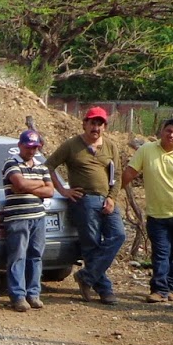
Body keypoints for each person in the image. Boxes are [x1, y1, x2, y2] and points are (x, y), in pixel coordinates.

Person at [49, 105, 125, 305]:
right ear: (84, 124)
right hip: (84, 200)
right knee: (91, 243)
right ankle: (105, 290)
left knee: (118, 235)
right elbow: (49, 165)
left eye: (100, 124)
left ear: (104, 127)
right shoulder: (72, 145)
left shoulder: (110, 146)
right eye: (92, 123)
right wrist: (63, 190)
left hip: (106, 199)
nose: (96, 127)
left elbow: (116, 175)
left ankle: (87, 276)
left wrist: (112, 197)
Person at [124, 118, 173, 304]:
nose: (171, 135)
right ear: (162, 131)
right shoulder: (146, 150)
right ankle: (159, 289)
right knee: (161, 252)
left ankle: (171, 287)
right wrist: (111, 192)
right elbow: (130, 172)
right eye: (168, 131)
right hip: (156, 215)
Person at [2, 129, 54, 312]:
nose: (31, 150)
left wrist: (30, 187)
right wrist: (39, 184)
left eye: (35, 147)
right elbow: (20, 184)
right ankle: (18, 296)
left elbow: (50, 191)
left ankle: (34, 294)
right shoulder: (11, 163)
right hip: (18, 218)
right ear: (20, 145)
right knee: (18, 256)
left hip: (38, 217)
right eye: (28, 146)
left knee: (35, 256)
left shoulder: (42, 166)